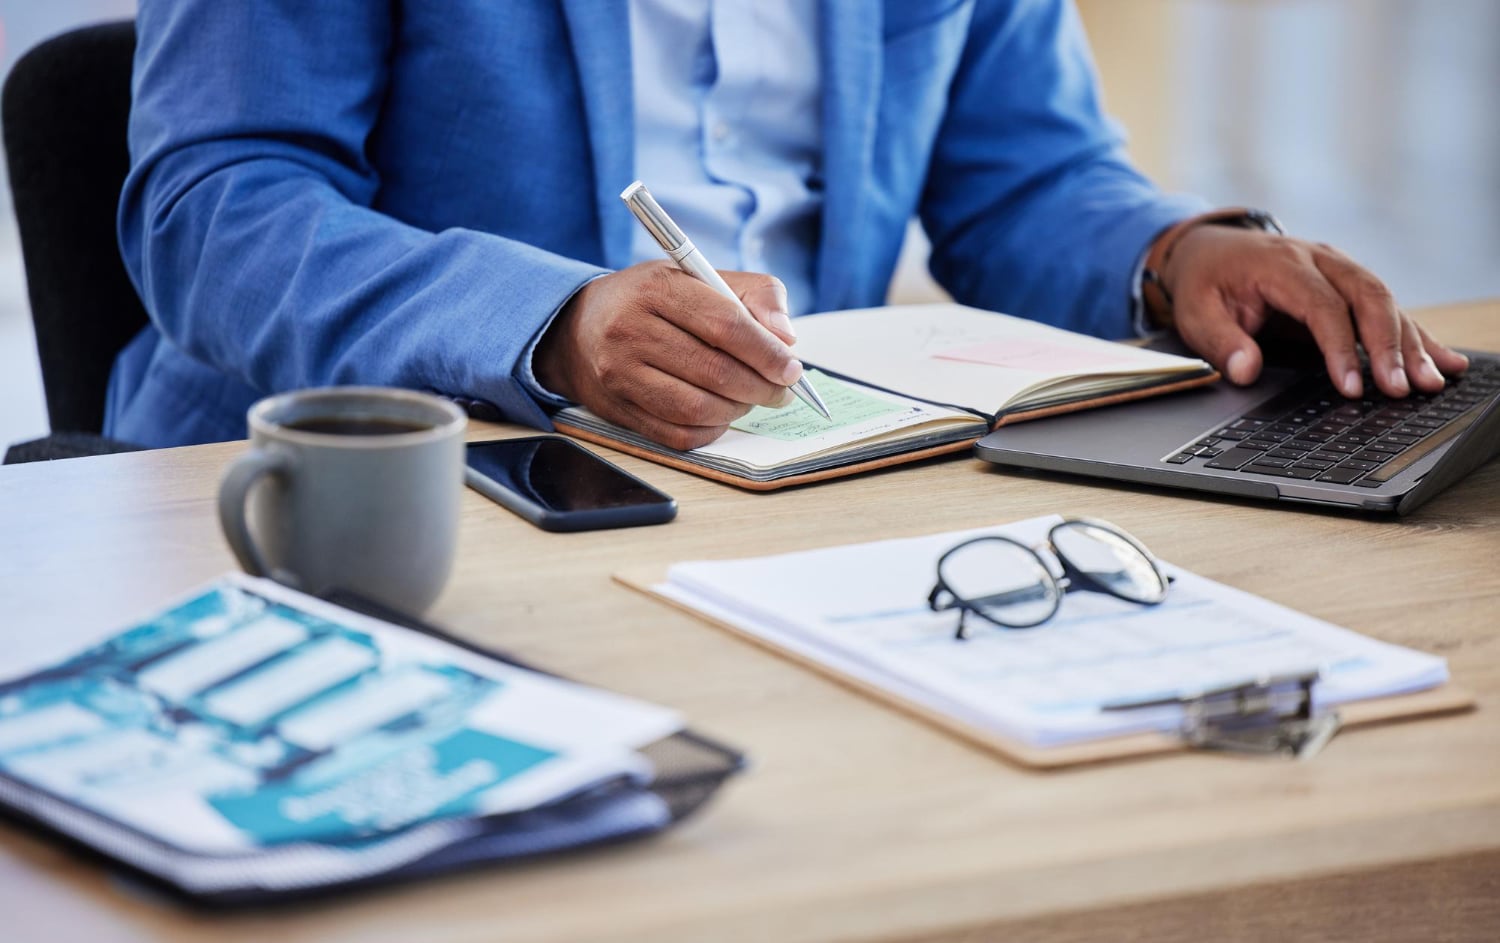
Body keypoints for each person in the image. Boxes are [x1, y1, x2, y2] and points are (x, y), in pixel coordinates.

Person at [109, 0, 1468, 451]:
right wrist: (553, 324)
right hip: (389, 488)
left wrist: (1177, 259)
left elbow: (1025, 181)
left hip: (796, 483)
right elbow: (216, 204)